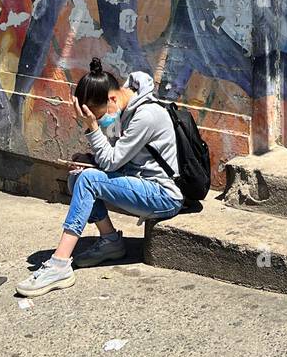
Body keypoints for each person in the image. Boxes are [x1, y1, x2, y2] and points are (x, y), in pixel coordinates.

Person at [16, 60, 183, 297]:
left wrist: (93, 129)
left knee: (89, 180)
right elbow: (114, 156)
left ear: (112, 99)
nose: (101, 120)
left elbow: (112, 161)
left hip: (162, 195)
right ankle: (111, 242)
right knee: (78, 177)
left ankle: (59, 264)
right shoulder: (124, 109)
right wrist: (88, 158)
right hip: (138, 181)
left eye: (98, 115)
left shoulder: (146, 115)